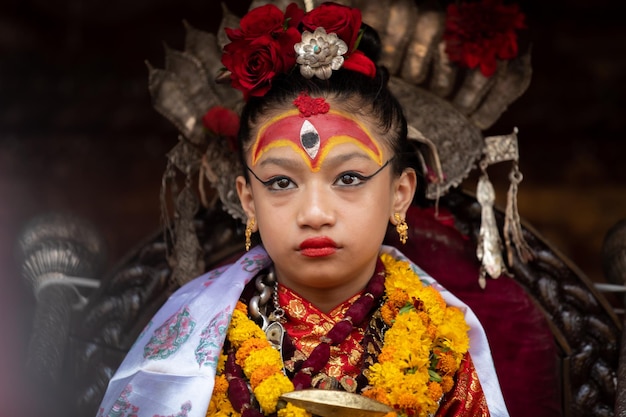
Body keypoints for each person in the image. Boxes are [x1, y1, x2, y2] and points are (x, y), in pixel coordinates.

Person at [97, 2, 509, 416]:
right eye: (281, 183)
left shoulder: (439, 341)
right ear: (248, 200)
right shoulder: (196, 340)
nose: (314, 213)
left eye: (348, 178)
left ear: (399, 193)